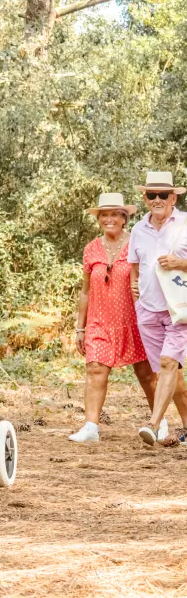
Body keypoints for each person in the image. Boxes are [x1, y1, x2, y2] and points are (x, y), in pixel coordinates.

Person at [69, 192, 166, 444]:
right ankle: (91, 426)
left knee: (146, 374)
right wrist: (80, 328)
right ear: (98, 219)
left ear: (124, 219)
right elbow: (85, 291)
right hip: (99, 320)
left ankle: (160, 422)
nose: (108, 219)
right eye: (104, 215)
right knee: (95, 369)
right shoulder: (91, 249)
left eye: (114, 214)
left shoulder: (138, 242)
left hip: (134, 319)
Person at [129, 171, 187, 446]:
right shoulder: (139, 229)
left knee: (167, 364)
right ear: (145, 198)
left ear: (173, 197)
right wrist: (133, 286)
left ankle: (153, 425)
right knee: (170, 372)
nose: (157, 199)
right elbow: (134, 266)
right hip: (148, 310)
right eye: (152, 195)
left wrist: (180, 264)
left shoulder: (185, 223)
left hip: (179, 308)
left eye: (163, 195)